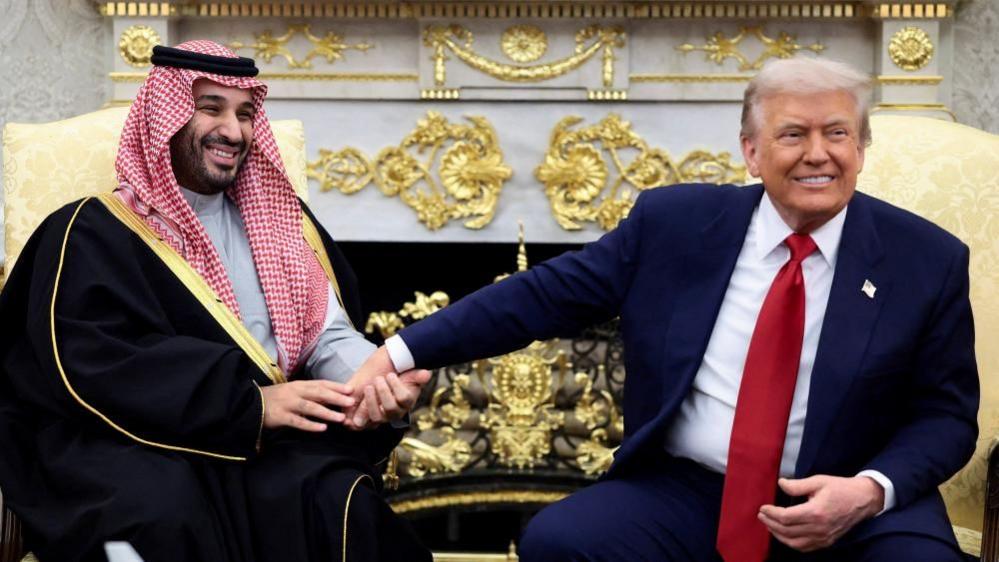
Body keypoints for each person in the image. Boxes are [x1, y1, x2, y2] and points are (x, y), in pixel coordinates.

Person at [345, 58, 979, 561]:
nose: (819, 153)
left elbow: (947, 417)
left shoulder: (927, 260)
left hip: (857, 506)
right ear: (751, 153)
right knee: (561, 542)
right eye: (793, 134)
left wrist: (869, 491)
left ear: (861, 149)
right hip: (694, 491)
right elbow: (539, 297)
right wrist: (400, 351)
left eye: (837, 133)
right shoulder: (675, 224)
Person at [0, 41, 431, 562]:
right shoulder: (90, 231)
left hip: (260, 450)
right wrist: (249, 406)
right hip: (130, 443)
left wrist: (375, 380)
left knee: (342, 507)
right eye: (211, 108)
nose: (234, 130)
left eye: (246, 113)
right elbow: (94, 365)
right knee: (155, 516)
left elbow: (325, 335)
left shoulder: (280, 221)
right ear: (165, 118)